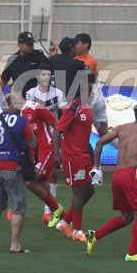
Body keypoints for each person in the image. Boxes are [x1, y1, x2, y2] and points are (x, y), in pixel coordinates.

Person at [86, 102, 137, 261]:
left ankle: (94, 236)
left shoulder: (121, 128)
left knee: (127, 216)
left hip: (117, 175)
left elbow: (99, 142)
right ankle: (132, 254)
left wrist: (96, 166)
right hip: (132, 175)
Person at [0, 92, 36, 253]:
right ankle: (15, 244)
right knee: (18, 205)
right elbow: (32, 144)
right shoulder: (21, 122)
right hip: (12, 166)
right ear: (12, 106)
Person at [53, 82, 94, 242]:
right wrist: (57, 154)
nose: (92, 93)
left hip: (84, 156)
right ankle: (77, 231)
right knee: (78, 192)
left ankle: (64, 222)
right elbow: (58, 131)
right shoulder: (73, 108)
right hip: (73, 157)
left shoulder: (86, 107)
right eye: (89, 90)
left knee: (89, 191)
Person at [20, 94, 65, 226]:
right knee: (43, 182)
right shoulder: (19, 113)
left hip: (47, 149)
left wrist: (61, 149)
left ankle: (56, 209)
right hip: (36, 152)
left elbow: (57, 125)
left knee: (31, 180)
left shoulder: (35, 108)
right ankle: (63, 219)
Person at [0, 31, 48, 107]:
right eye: (28, 44)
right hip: (19, 99)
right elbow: (3, 81)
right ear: (19, 44)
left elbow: (49, 71)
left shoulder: (39, 57)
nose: (31, 46)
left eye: (32, 44)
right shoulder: (12, 60)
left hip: (36, 99)